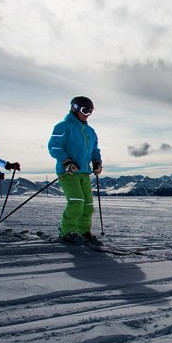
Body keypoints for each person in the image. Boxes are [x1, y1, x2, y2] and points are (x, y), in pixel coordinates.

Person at [48, 96, 103, 245]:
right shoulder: (63, 126)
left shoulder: (91, 131)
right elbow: (54, 146)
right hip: (68, 172)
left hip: (84, 173)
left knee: (88, 205)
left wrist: (97, 162)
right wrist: (66, 161)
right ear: (74, 108)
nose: (87, 114)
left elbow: (94, 150)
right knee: (76, 201)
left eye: (90, 111)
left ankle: (84, 232)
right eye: (85, 110)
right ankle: (67, 232)